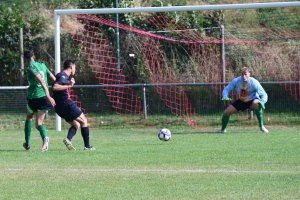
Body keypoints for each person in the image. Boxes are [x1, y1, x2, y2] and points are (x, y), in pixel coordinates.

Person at [52, 59, 95, 150]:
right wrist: (69, 85)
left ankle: (68, 139)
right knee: (84, 121)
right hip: (65, 103)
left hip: (59, 107)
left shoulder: (64, 77)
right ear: (71, 67)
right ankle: (87, 146)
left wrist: (69, 83)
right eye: (75, 67)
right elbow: (55, 87)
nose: (75, 69)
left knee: (76, 124)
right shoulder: (62, 76)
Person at [217, 67, 269, 133]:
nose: (244, 76)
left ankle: (262, 127)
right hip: (241, 101)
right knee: (226, 112)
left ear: (249, 74)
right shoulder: (236, 81)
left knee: (257, 104)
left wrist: (263, 101)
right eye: (242, 74)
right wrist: (225, 95)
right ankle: (223, 130)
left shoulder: (254, 82)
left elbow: (264, 94)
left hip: (252, 100)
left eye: (245, 74)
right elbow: (227, 89)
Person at [23, 50, 56, 152]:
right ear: (34, 56)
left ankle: (28, 144)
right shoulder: (42, 65)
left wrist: (48, 95)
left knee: (29, 117)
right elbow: (54, 78)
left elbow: (41, 81)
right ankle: (44, 138)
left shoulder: (30, 67)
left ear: (25, 59)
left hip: (35, 97)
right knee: (39, 124)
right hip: (44, 99)